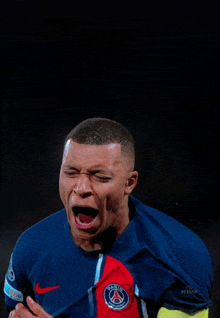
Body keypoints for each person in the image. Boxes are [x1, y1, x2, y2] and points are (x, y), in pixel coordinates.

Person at [4, 118, 212, 318]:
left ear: (129, 183)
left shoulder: (181, 257)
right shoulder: (31, 247)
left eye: (101, 177)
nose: (82, 188)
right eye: (71, 173)